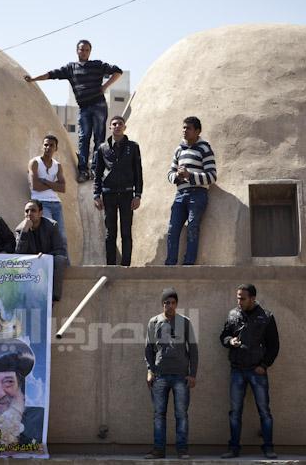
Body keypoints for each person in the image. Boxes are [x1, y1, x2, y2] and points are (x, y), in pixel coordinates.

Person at [24, 40, 122, 182]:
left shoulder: (97, 65)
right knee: (83, 138)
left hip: (99, 105)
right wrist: (34, 79)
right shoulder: (71, 68)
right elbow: (52, 74)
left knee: (99, 138)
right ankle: (83, 170)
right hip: (84, 107)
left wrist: (105, 86)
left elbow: (117, 71)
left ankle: (96, 170)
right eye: (82, 50)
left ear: (90, 52)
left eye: (87, 50)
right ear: (77, 51)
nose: (84, 52)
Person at [219, 284, 280, 459]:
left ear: (252, 298)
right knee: (235, 412)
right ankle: (233, 448)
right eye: (238, 297)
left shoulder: (266, 317)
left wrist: (264, 365)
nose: (239, 301)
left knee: (264, 411)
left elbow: (274, 346)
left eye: (242, 298)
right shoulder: (233, 315)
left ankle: (268, 447)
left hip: (257, 370)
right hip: (237, 369)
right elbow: (223, 336)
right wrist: (230, 341)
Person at [144, 288, 198, 460]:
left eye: (173, 302)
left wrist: (192, 374)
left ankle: (182, 450)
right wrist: (150, 371)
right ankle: (158, 450)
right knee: (159, 415)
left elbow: (194, 349)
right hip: (159, 376)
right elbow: (148, 350)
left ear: (176, 304)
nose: (170, 305)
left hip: (181, 377)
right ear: (162, 304)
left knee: (181, 414)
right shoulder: (154, 322)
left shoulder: (185, 322)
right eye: (166, 302)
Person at [165, 116, 217, 266]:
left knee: (193, 228)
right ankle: (170, 263)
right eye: (183, 127)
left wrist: (190, 175)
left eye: (188, 128)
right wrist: (177, 176)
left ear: (197, 131)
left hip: (198, 194)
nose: (184, 131)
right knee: (173, 229)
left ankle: (188, 263)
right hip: (180, 195)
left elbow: (212, 176)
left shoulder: (204, 149)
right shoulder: (178, 150)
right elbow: (169, 173)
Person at [93, 115, 143, 266]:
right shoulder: (103, 148)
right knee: (110, 233)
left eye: (120, 124)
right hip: (109, 194)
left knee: (126, 232)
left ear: (124, 127)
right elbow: (98, 173)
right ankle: (111, 265)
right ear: (110, 127)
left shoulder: (133, 147)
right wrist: (96, 194)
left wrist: (138, 195)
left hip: (127, 194)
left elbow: (138, 172)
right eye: (114, 124)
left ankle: (126, 265)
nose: (117, 126)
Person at [14, 199, 68, 301]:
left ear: (40, 213)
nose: (29, 214)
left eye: (33, 210)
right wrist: (24, 231)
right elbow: (18, 255)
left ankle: (53, 297)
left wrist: (45, 256)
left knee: (60, 259)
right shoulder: (20, 229)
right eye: (26, 211)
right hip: (31, 264)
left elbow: (60, 250)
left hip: (48, 260)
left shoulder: (52, 226)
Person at [28, 135, 67, 242]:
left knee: (61, 236)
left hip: (56, 204)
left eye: (51, 145)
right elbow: (35, 186)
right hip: (42, 203)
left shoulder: (57, 165)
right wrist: (54, 185)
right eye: (46, 145)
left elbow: (63, 188)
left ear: (56, 148)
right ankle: (47, 259)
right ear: (42, 146)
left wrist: (45, 181)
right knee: (47, 234)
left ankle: (63, 259)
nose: (48, 147)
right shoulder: (35, 162)